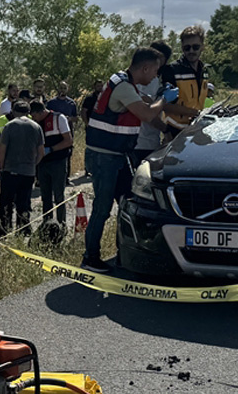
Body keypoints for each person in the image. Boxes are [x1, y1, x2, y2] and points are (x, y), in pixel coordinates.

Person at [81, 48, 176, 272]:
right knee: (102, 208)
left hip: (116, 155)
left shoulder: (123, 83)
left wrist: (167, 129)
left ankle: (124, 253)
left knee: (128, 202)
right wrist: (164, 99)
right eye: (154, 70)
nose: (155, 75)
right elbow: (146, 113)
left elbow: (145, 105)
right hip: (105, 157)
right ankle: (90, 257)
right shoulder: (123, 87)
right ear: (144, 68)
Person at [0, 100, 43, 238]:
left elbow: (2, 149)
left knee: (6, 203)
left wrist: (2, 166)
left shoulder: (9, 126)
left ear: (14, 112)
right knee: (24, 203)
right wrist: (33, 165)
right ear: (28, 112)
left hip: (11, 170)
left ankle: (3, 232)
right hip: (28, 172)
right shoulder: (36, 127)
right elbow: (41, 152)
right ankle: (23, 231)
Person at [31, 100, 72, 239]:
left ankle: (61, 225)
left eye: (34, 115)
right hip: (42, 164)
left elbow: (68, 140)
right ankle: (47, 226)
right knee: (45, 197)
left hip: (58, 162)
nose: (33, 119)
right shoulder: (36, 123)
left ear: (40, 112)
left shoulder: (58, 118)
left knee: (59, 196)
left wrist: (52, 149)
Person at [163, 26, 212, 138]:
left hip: (197, 128)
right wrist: (194, 113)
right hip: (176, 130)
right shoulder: (172, 70)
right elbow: (165, 105)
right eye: (187, 48)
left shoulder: (204, 70)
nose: (191, 51)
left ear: (202, 47)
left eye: (195, 47)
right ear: (182, 48)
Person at [134, 40, 172, 163]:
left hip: (144, 140)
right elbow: (147, 112)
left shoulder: (149, 76)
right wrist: (165, 130)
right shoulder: (151, 79)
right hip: (143, 142)